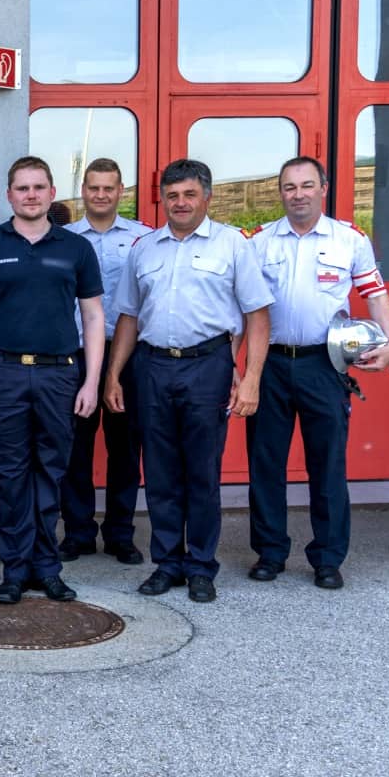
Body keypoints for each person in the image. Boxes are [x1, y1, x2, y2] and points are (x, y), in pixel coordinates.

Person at [105, 158, 273, 604]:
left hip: (208, 366)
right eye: (172, 195)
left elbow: (258, 317)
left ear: (207, 197)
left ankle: (200, 566)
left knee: (201, 471)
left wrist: (251, 378)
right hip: (152, 367)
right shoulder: (144, 248)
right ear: (162, 198)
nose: (180, 203)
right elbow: (128, 316)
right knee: (158, 472)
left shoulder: (234, 246)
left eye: (189, 194)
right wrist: (113, 375)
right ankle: (167, 563)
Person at [0, 156, 105, 605]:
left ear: (52, 192)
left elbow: (94, 316)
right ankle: (15, 570)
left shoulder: (75, 248)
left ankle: (47, 567)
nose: (31, 195)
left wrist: (91, 381)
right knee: (11, 474)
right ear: (10, 195)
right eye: (22, 188)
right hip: (1, 374)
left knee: (50, 473)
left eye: (39, 187)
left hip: (60, 374)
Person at [246, 156, 389, 590]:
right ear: (281, 192)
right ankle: (270, 553)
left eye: (306, 185)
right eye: (290, 187)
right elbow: (244, 312)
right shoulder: (260, 243)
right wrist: (240, 372)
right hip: (271, 364)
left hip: (324, 365)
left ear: (323, 189)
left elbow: (376, 295)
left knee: (327, 465)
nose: (298, 194)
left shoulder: (349, 239)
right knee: (265, 464)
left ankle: (328, 558)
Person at [58, 158, 150, 566]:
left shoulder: (143, 239)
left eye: (108, 188)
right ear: (83, 190)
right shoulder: (64, 239)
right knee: (74, 448)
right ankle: (78, 532)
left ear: (121, 191)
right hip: (74, 354)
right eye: (93, 188)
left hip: (127, 354)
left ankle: (119, 533)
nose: (100, 195)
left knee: (125, 448)